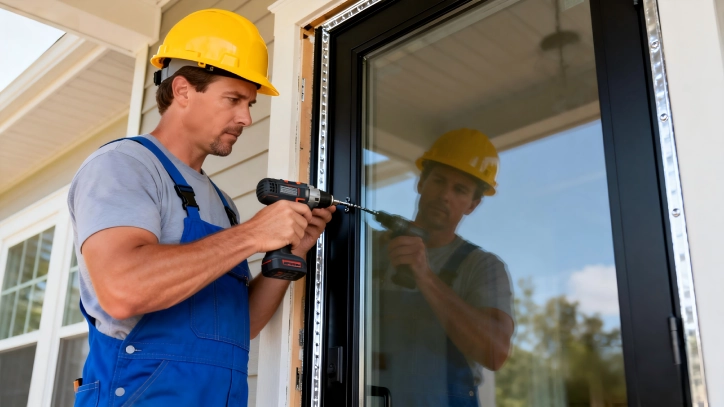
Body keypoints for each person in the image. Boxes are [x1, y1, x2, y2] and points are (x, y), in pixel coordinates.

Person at [68, 9, 334, 406]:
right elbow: (123, 289)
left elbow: (234, 329)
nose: (245, 117)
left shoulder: (223, 205)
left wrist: (290, 252)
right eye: (233, 99)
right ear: (183, 90)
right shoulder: (125, 165)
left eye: (249, 103)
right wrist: (251, 235)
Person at [371, 128, 515, 406]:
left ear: (472, 205)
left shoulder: (482, 267)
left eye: (459, 190)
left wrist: (425, 277)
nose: (445, 195)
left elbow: (495, 354)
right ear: (421, 183)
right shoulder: (368, 247)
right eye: (439, 181)